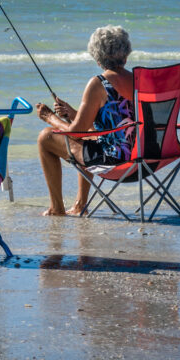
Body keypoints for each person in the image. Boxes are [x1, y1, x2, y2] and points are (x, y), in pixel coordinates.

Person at [36, 25, 136, 216]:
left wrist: (51, 118)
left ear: (97, 56)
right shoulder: (140, 80)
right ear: (126, 53)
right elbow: (112, 123)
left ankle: (57, 208)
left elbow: (75, 133)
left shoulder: (99, 83)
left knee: (46, 137)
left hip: (114, 160)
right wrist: (73, 114)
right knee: (91, 135)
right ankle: (80, 205)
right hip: (145, 156)